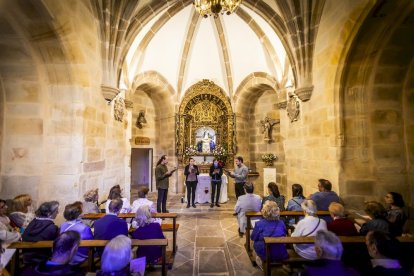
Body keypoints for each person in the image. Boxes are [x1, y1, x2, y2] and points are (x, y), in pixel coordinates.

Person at [251, 201, 288, 269]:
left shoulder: (259, 224)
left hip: (265, 253)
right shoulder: (281, 223)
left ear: (264, 211)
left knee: (254, 244)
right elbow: (284, 234)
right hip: (279, 251)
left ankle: (261, 262)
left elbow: (253, 237)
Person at [22, 201, 60, 265]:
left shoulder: (32, 223)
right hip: (44, 260)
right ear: (49, 213)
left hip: (26, 258)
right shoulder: (52, 228)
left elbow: (24, 236)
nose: (57, 213)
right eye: (56, 211)